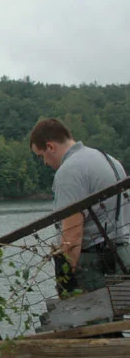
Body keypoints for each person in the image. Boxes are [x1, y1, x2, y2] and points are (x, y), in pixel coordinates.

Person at [29, 118, 130, 294]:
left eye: (41, 156)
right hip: (123, 256)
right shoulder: (109, 160)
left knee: (90, 319)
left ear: (51, 147)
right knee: (120, 317)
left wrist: (65, 282)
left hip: (94, 266)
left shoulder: (69, 171)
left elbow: (72, 235)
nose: (44, 162)